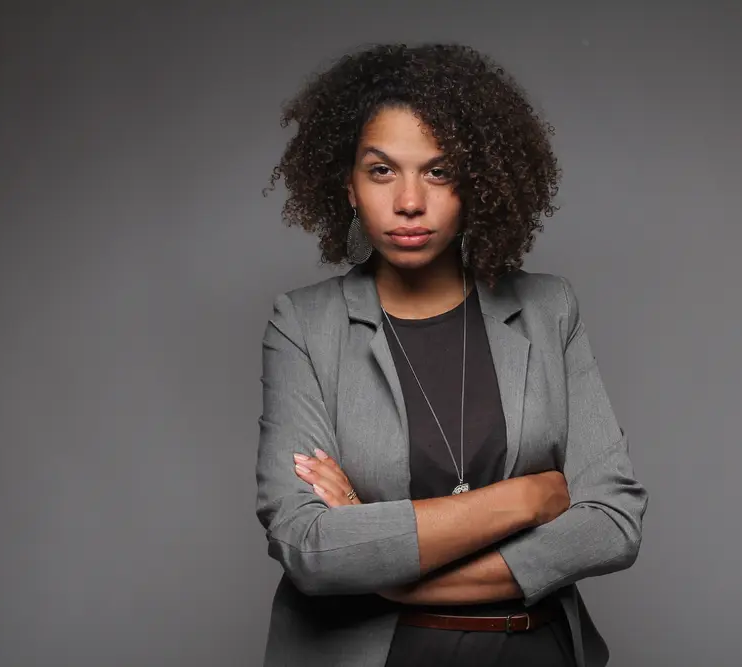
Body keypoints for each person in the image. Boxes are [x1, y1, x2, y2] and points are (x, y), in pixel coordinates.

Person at [255, 43, 648, 667]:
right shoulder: (305, 325)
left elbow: (612, 522)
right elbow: (311, 545)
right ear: (349, 186)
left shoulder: (549, 310)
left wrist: (392, 569)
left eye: (438, 171)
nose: (410, 201)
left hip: (538, 651)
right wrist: (527, 499)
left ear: (478, 184)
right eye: (382, 170)